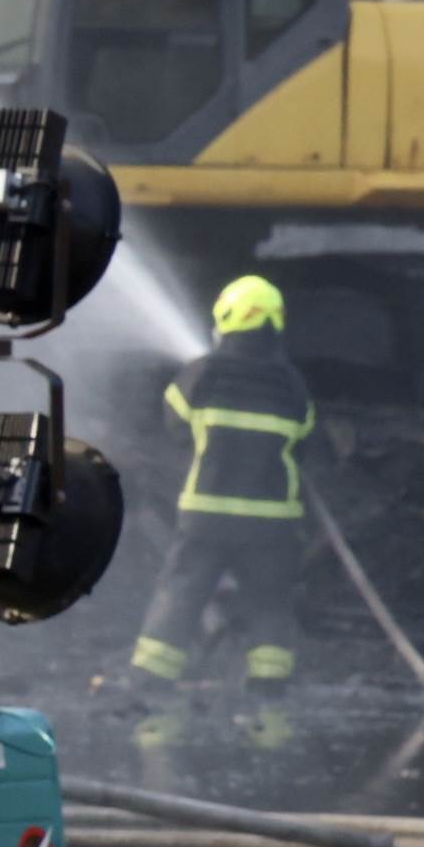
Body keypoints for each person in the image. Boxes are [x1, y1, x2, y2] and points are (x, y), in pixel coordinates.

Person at [130, 272, 316, 752]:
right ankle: (268, 687)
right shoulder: (292, 384)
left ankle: (150, 679)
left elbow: (174, 424)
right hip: (273, 519)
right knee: (270, 600)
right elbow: (305, 437)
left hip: (207, 513)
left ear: (226, 318)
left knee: (183, 590)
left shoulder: (202, 373)